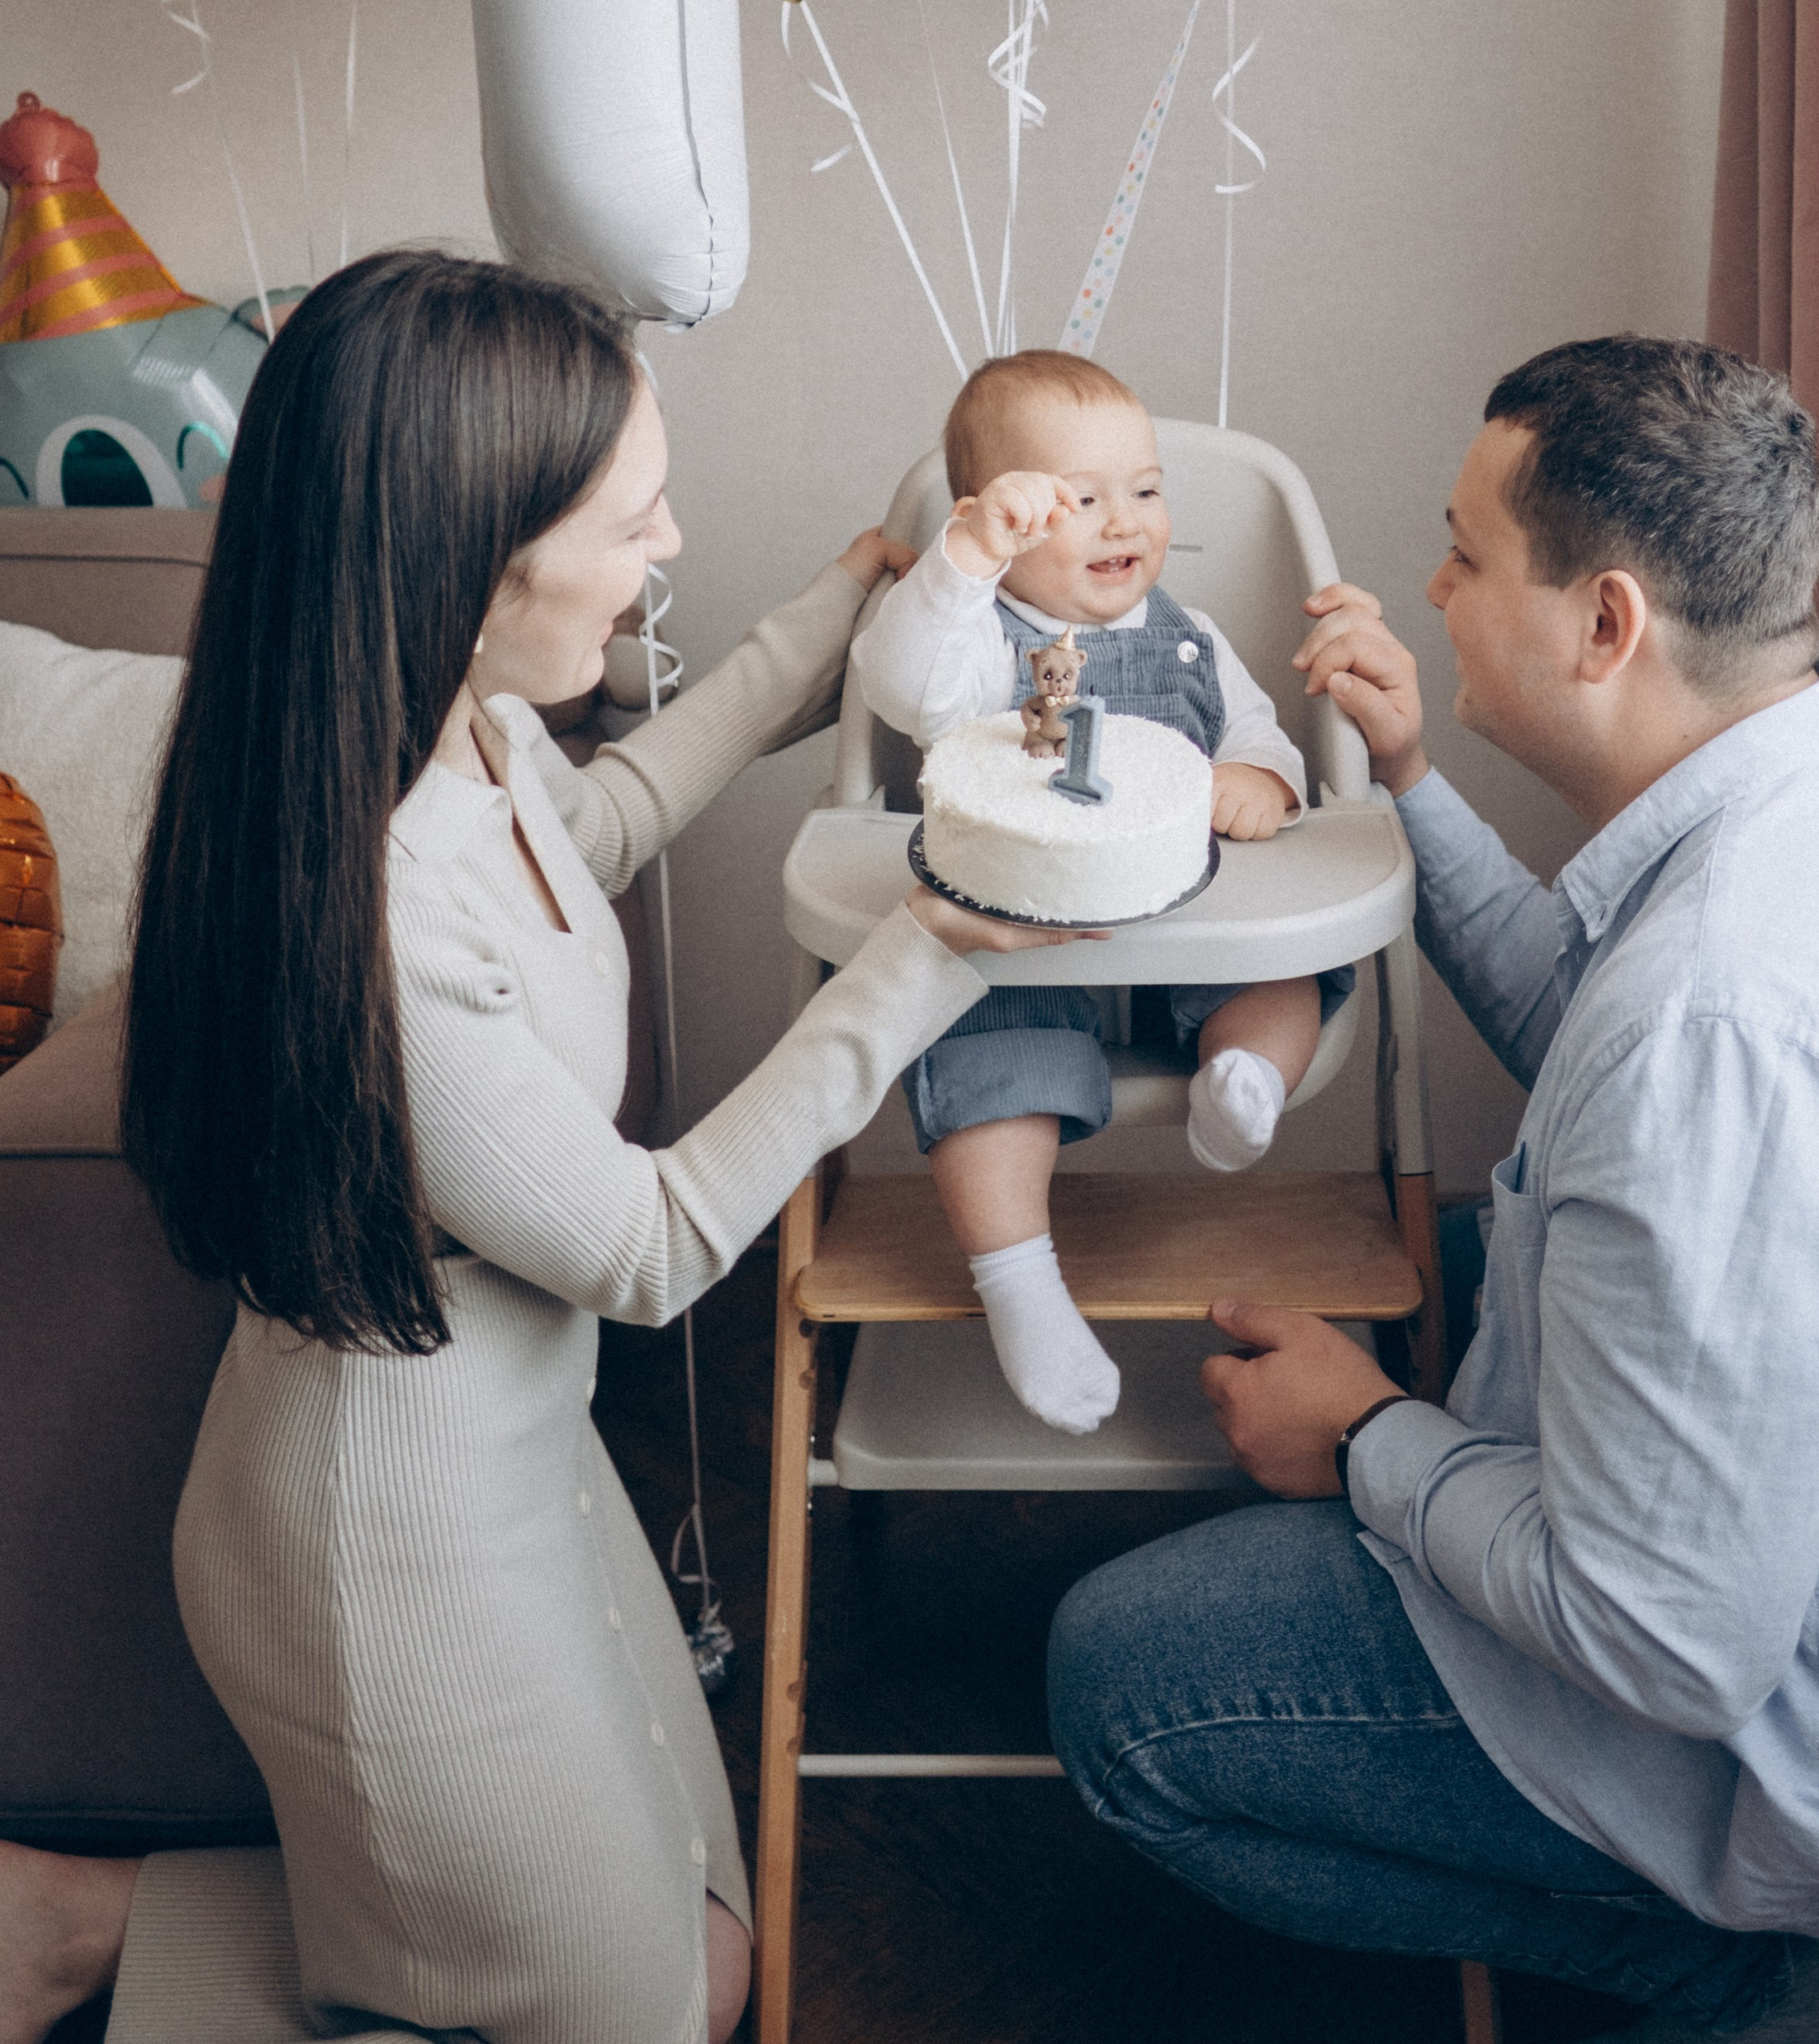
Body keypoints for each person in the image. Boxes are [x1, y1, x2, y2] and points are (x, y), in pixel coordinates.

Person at [0, 250, 1068, 2044]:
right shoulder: (378, 908)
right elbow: (646, 1251)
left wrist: (842, 607)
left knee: (706, 1956)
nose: (663, 550)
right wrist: (935, 944)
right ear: (475, 561)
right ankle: (71, 1936)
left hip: (510, 1454)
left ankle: (66, 1926)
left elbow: (618, 813)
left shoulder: (463, 737)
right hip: (382, 1541)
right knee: (636, 2016)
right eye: (632, 520)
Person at [1047, 337, 1819, 2039]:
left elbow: (1668, 1639)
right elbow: (1589, 1042)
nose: (1434, 585)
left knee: (1120, 1686)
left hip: (1818, 1752)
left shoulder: (1733, 1023)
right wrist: (1404, 777)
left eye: (1466, 553)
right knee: (1460, 1249)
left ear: (1601, 623)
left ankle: (1769, 1965)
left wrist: (1366, 1441)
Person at [851, 349, 1352, 1433]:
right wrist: (963, 559)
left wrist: (1263, 779)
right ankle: (1021, 1281)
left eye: (1145, 489)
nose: (1126, 521)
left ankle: (1245, 1082)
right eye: (1082, 500)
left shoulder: (1190, 636)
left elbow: (1258, 731)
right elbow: (898, 683)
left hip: (1188, 914)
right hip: (1020, 929)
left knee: (1286, 967)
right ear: (1006, 519)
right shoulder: (979, 646)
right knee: (983, 1047)